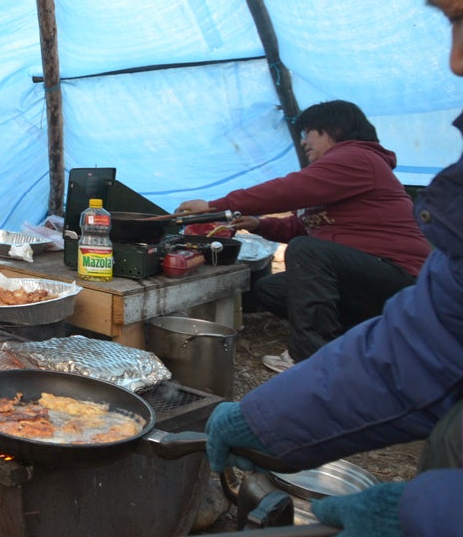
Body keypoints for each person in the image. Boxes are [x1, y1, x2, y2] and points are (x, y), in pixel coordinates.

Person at [204, 0, 463, 537]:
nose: (455, 61)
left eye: (308, 133)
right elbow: (432, 342)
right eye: (450, 23)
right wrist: (262, 420)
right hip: (399, 297)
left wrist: (430, 523)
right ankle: (303, 360)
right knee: (272, 276)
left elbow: (298, 193)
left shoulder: (355, 159)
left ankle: (306, 349)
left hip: (392, 278)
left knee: (308, 255)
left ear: (330, 131)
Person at [174, 99, 429, 372]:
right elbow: (303, 225)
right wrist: (260, 225)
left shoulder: (358, 158)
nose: (304, 142)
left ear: (336, 129)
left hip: (401, 278)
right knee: (271, 289)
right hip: (366, 280)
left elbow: (288, 190)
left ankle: (308, 358)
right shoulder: (338, 174)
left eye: (309, 133)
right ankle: (352, 341)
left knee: (306, 249)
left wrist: (217, 205)